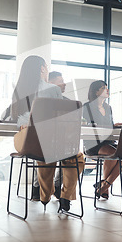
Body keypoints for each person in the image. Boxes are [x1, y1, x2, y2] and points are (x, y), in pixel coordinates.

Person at [13, 55, 84, 212]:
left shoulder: (19, 90)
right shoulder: (53, 90)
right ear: (42, 69)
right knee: (74, 156)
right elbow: (60, 118)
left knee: (45, 153)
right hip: (50, 138)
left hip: (25, 139)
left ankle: (45, 195)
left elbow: (16, 119)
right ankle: (65, 196)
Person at [82, 80, 122, 199]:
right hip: (93, 144)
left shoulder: (108, 107)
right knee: (113, 154)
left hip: (108, 142)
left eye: (107, 87)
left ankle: (104, 185)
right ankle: (104, 187)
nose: (107, 90)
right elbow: (89, 125)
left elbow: (108, 125)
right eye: (103, 88)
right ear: (96, 92)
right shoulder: (87, 107)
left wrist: (114, 125)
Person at [48, 71, 68, 199]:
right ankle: (37, 188)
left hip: (61, 140)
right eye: (60, 81)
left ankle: (57, 186)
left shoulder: (68, 102)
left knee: (68, 152)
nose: (64, 84)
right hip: (44, 141)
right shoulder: (40, 100)